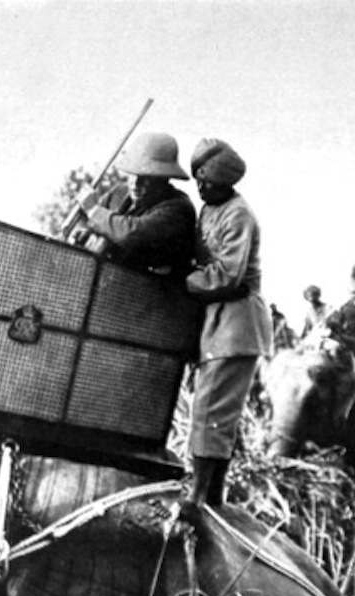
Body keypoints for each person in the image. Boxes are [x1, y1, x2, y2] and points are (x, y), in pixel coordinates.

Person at [183, 138, 272, 509]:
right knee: (209, 410)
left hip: (236, 322)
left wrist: (182, 281)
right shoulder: (209, 210)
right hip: (218, 320)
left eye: (206, 182)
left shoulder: (238, 214)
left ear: (224, 181)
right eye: (198, 182)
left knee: (211, 410)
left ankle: (203, 496)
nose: (200, 189)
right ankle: (209, 493)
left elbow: (228, 275)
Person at [75, 132, 196, 277]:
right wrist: (83, 233)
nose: (136, 183)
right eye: (132, 174)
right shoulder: (119, 193)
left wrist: (94, 211)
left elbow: (133, 234)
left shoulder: (178, 208)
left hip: (153, 293)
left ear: (164, 179)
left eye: (146, 178)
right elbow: (86, 221)